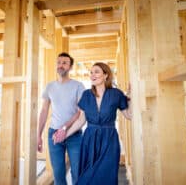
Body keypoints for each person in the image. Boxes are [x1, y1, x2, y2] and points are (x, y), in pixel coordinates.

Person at [53, 62, 131, 185]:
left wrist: (131, 97)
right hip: (89, 140)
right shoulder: (86, 95)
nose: (92, 75)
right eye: (91, 72)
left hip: (109, 141)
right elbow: (80, 120)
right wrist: (65, 134)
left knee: (107, 177)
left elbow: (129, 115)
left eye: (97, 72)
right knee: (86, 177)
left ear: (106, 75)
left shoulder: (116, 94)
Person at [37, 52, 85, 185]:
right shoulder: (50, 86)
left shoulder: (78, 86)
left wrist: (65, 128)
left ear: (70, 67)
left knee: (77, 172)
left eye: (64, 63)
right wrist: (38, 135)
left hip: (74, 134)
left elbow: (81, 111)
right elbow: (44, 111)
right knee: (58, 174)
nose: (61, 65)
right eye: (59, 62)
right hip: (54, 134)